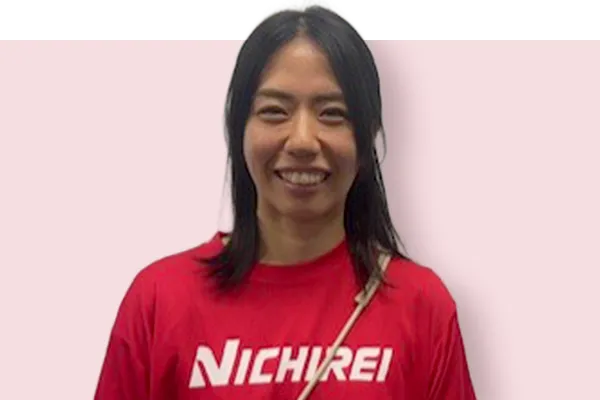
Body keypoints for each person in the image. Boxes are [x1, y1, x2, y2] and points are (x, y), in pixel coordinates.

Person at [94, 1, 477, 399]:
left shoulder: (421, 305)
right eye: (275, 111)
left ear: (366, 139)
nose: (302, 141)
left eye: (333, 114)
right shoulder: (160, 300)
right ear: (239, 131)